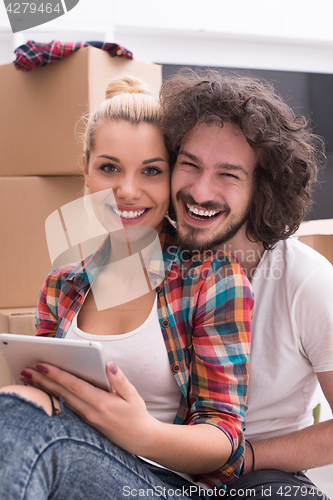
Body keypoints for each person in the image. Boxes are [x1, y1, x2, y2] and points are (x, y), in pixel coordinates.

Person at [0, 76, 254, 500]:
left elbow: (225, 440)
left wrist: (140, 433)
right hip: (66, 471)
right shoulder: (61, 286)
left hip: (162, 483)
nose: (128, 191)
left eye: (151, 171)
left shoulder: (212, 279)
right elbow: (49, 401)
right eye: (109, 168)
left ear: (173, 178)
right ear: (85, 171)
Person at [159, 70, 333, 499]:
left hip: (258, 476)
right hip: (150, 470)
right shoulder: (144, 258)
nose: (200, 191)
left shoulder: (304, 279)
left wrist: (240, 458)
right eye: (189, 165)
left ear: (261, 189)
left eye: (228, 175)